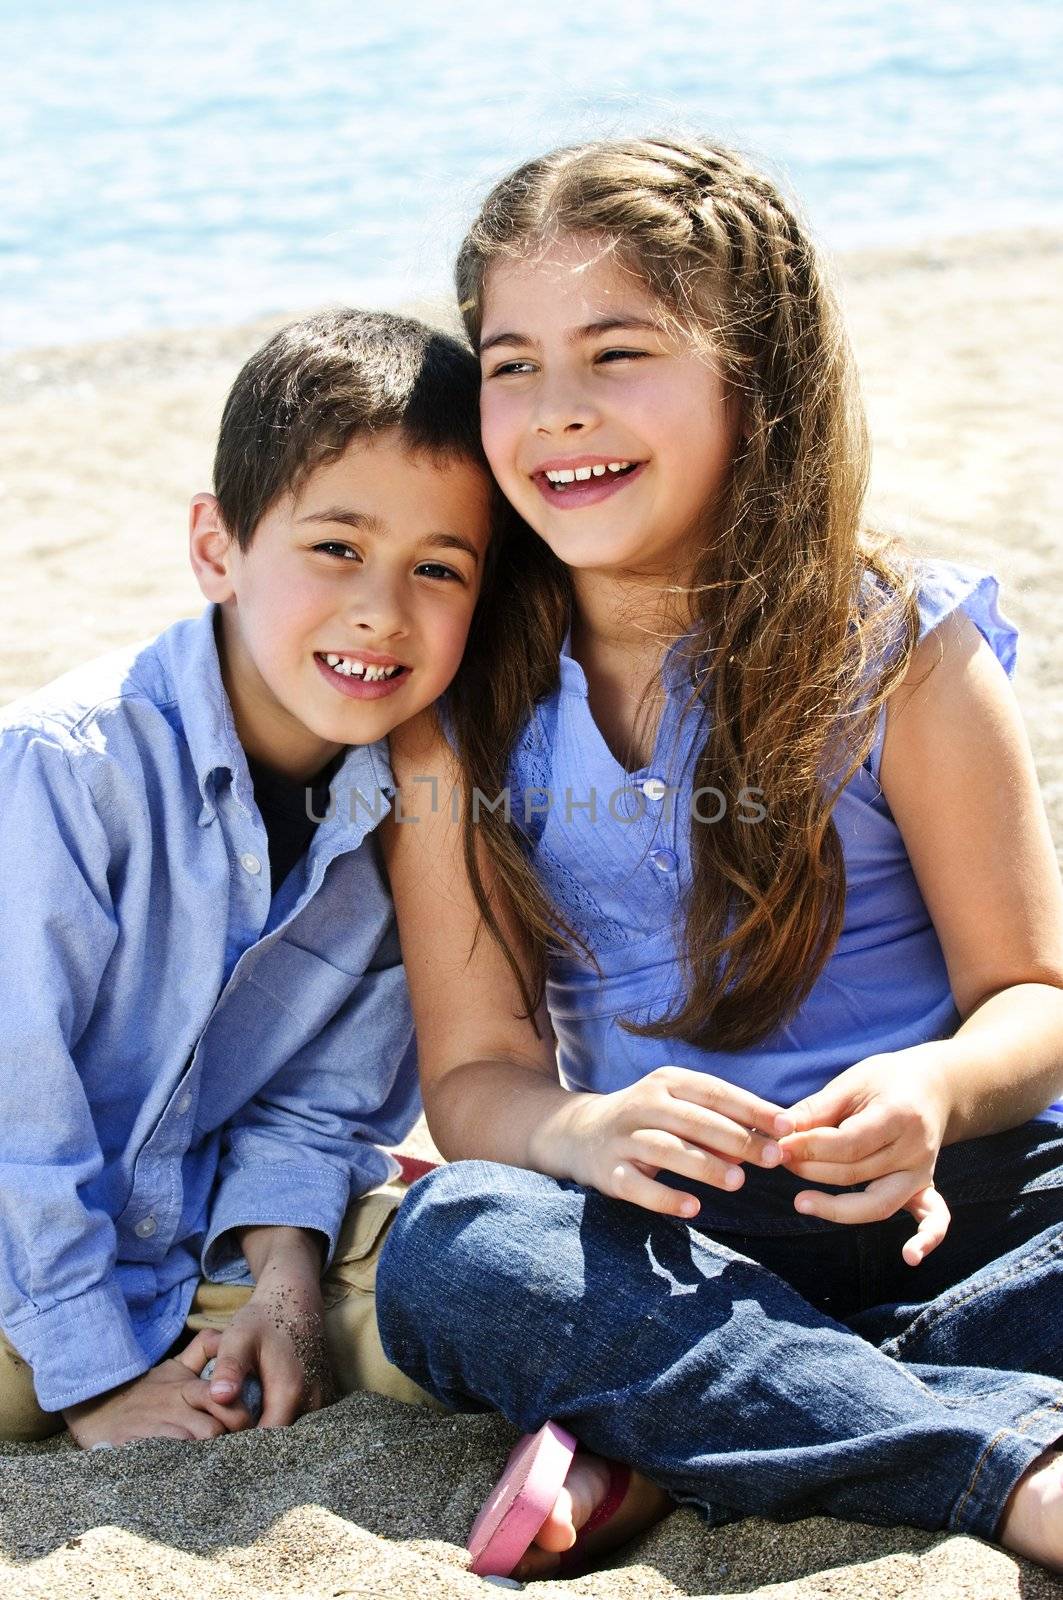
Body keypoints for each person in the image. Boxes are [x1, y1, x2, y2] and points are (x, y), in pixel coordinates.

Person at [372, 137, 1063, 1578]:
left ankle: (675, 1429)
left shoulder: (902, 650)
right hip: (664, 1233)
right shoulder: (458, 716)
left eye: (615, 351)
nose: (556, 413)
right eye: (508, 364)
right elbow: (476, 1076)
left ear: (753, 376)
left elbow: (1031, 999)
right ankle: (1002, 1465)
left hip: (950, 1202)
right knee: (456, 1257)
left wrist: (932, 1086)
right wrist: (575, 1134)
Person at [0, 308, 496, 1449]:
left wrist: (282, 1299)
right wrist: (95, 1383)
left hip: (193, 1253)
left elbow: (313, 1110)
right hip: (20, 1248)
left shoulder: (406, 816)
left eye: (437, 567)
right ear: (217, 546)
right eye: (336, 547)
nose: (382, 608)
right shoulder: (68, 769)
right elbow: (19, 1109)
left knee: (459, 1322)